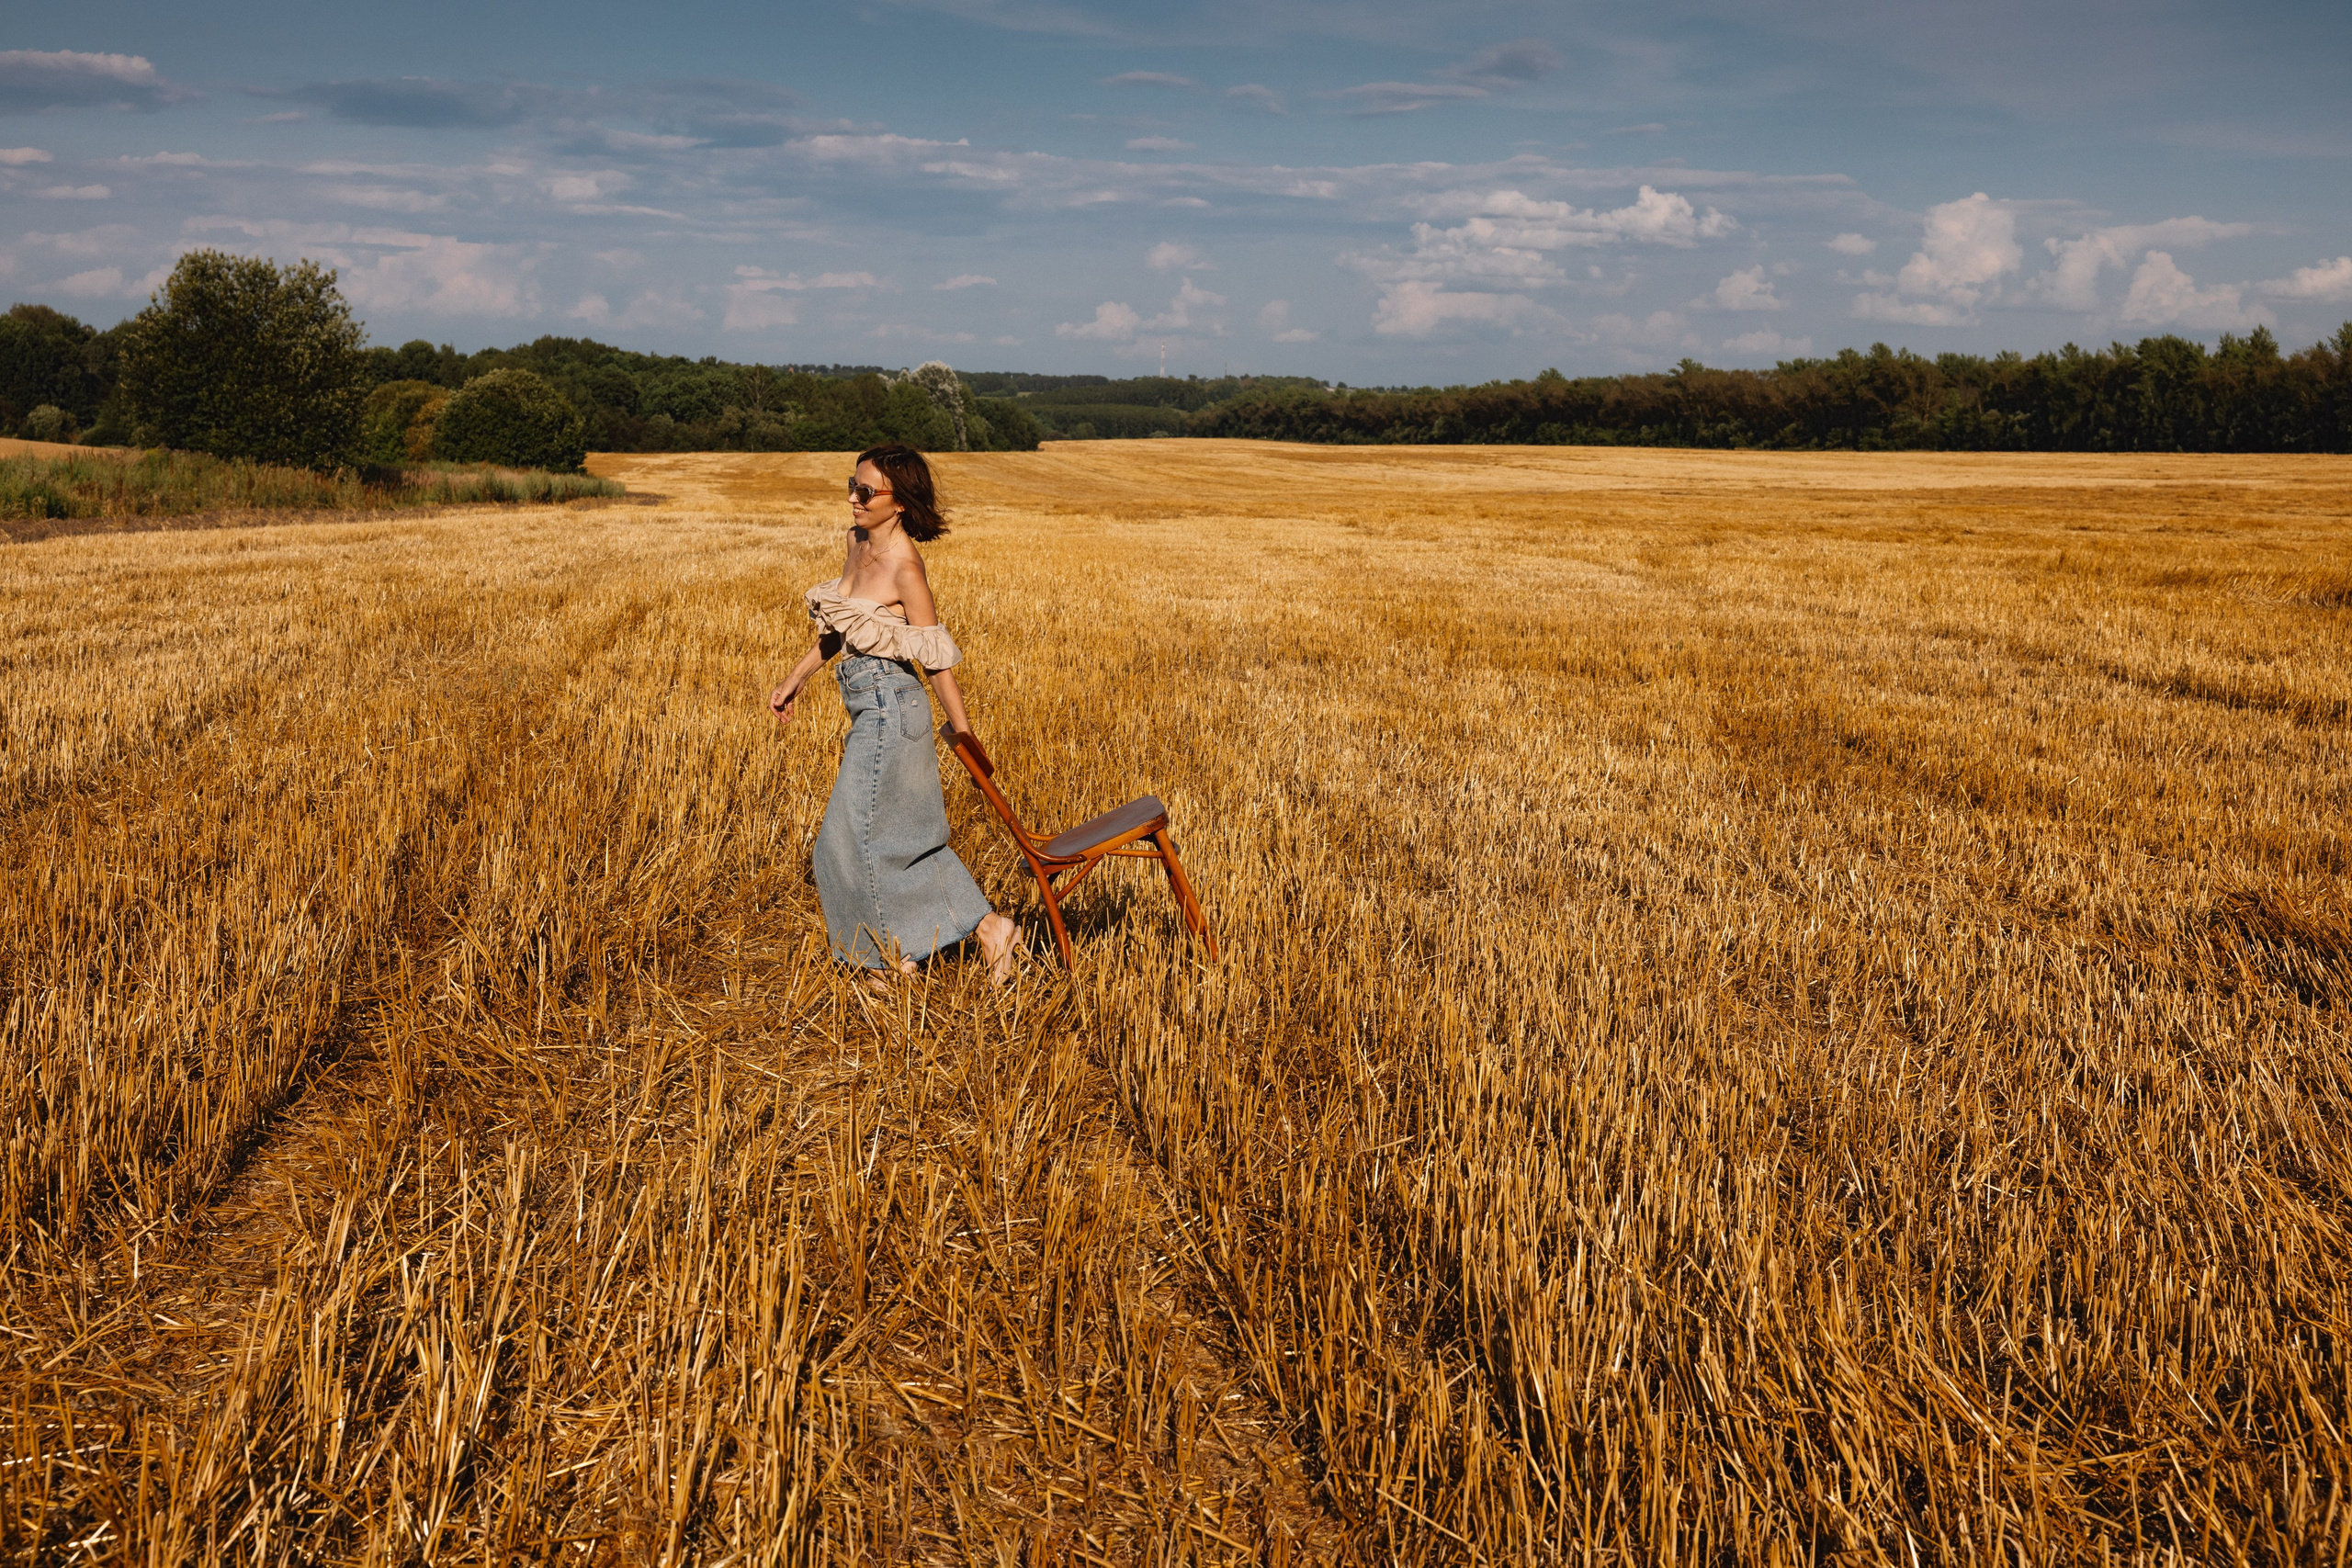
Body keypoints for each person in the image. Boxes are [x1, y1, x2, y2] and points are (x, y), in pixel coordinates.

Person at [770, 445, 1023, 985]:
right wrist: (795, 678)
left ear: (900, 502)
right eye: (852, 485)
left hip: (892, 710)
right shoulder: (855, 542)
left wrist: (962, 729)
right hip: (867, 706)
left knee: (843, 839)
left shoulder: (906, 567)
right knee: (894, 836)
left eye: (866, 492)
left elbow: (934, 658)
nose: (853, 499)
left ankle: (886, 959)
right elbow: (840, 629)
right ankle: (989, 929)